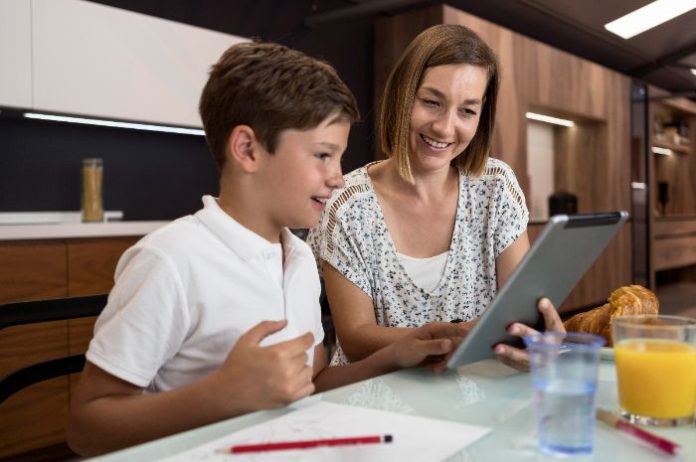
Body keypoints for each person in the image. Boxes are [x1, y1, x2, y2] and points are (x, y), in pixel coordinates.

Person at [66, 41, 468, 456]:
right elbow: (85, 427)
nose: (338, 177)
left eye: (339, 158)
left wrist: (392, 357)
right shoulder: (171, 261)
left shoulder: (300, 258)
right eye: (323, 155)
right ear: (247, 149)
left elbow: (308, 385)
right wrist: (221, 394)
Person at [308, 24, 564, 370]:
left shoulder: (496, 188)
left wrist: (535, 333)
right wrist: (451, 338)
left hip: (476, 388)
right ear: (402, 96)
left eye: (467, 111)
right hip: (376, 393)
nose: (445, 127)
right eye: (431, 102)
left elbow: (518, 311)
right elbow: (355, 341)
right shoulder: (347, 205)